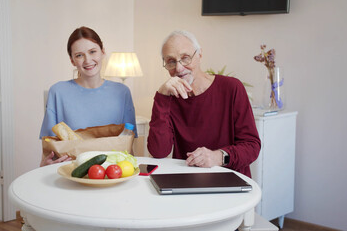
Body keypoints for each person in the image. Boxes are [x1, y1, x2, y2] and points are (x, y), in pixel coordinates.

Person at [147, 30, 260, 178]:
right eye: (171, 61)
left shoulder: (231, 88)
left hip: (230, 180)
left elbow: (252, 146)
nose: (179, 68)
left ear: (199, 55)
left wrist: (217, 157)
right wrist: (161, 97)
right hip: (186, 181)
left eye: (185, 58)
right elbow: (158, 151)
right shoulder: (169, 98)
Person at [39, 26, 137, 167]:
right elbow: (49, 149)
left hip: (112, 173)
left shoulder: (122, 92)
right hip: (70, 172)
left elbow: (128, 146)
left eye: (92, 52)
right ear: (72, 60)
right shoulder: (57, 92)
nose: (87, 60)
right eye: (79, 55)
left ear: (102, 52)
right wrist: (44, 166)